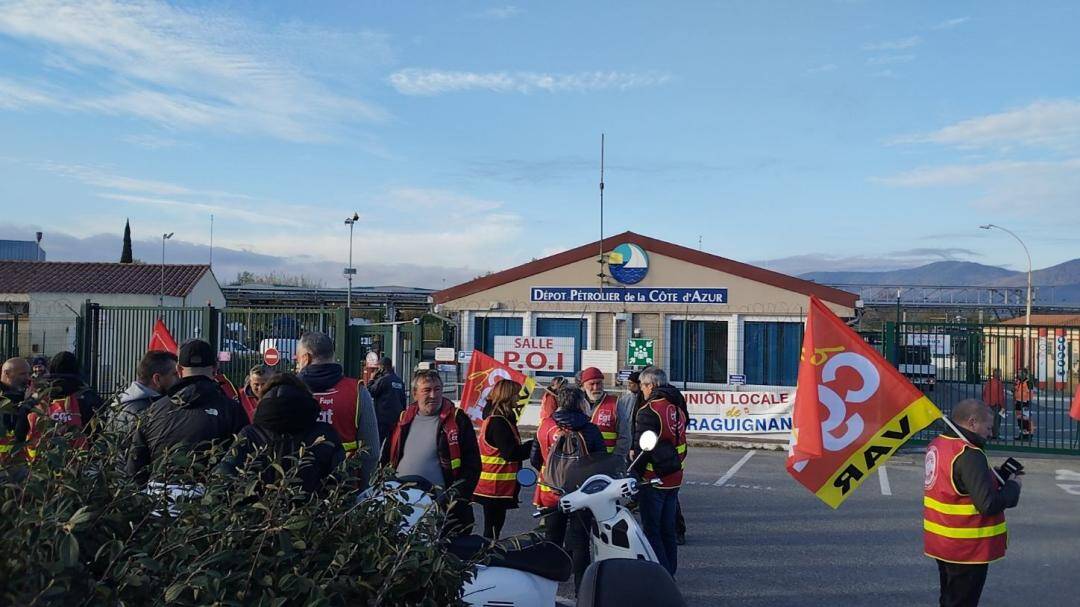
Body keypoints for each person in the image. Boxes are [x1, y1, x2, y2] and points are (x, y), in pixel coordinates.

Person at [925, 399, 1022, 607]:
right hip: (966, 547)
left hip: (943, 541)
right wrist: (1014, 487)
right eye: (988, 427)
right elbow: (988, 504)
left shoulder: (940, 443)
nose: (991, 432)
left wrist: (993, 475)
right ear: (972, 422)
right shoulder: (969, 454)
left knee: (949, 598)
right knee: (962, 602)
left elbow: (957, 484)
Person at [126, 339, 247, 483]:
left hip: (159, 497)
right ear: (215, 368)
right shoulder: (232, 410)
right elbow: (243, 461)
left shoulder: (154, 410)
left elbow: (135, 468)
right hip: (211, 499)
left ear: (178, 369)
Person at [382, 369, 481, 536]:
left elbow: (472, 466)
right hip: (403, 507)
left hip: (444, 511)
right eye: (427, 390)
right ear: (415, 394)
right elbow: (387, 459)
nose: (433, 395)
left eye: (437, 389)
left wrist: (454, 499)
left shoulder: (458, 420)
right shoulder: (403, 419)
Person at [216, 373, 345, 493]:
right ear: (307, 398)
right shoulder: (324, 434)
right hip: (313, 513)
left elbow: (223, 478)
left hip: (258, 514)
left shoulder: (250, 435)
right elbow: (341, 483)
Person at [530, 385, 605, 589]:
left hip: (550, 493)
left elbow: (535, 459)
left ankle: (547, 586)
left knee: (552, 540)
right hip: (581, 494)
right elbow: (600, 461)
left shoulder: (545, 426)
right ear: (580, 403)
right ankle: (582, 590)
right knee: (580, 543)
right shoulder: (590, 429)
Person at [296, 332, 379, 490]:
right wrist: (363, 490)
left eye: (298, 358)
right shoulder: (357, 392)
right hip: (342, 487)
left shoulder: (287, 390)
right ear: (332, 355)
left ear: (305, 358)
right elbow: (372, 452)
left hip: (296, 486)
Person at [631, 366, 687, 577]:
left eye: (643, 386)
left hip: (653, 479)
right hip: (675, 475)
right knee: (668, 531)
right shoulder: (677, 406)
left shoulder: (649, 410)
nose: (642, 391)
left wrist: (634, 475)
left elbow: (641, 449)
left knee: (652, 531)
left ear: (651, 385)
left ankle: (661, 577)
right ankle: (669, 572)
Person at [474, 379, 535, 540]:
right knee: (492, 529)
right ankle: (486, 557)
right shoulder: (498, 423)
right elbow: (510, 453)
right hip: (495, 486)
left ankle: (487, 554)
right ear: (508, 396)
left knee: (493, 526)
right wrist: (534, 445)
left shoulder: (498, 419)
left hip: (493, 484)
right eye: (516, 394)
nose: (519, 398)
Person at [24, 351, 105, 457]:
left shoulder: (39, 395)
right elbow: (99, 431)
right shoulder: (89, 396)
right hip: (79, 460)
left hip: (42, 462)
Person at [104, 350, 180, 439]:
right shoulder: (151, 410)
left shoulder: (118, 406)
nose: (179, 379)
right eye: (175, 374)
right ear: (157, 379)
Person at [580, 367, 633, 461]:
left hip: (607, 461)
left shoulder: (615, 403)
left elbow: (625, 436)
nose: (596, 387)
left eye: (599, 383)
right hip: (582, 462)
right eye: (591, 384)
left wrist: (616, 458)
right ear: (583, 385)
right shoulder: (577, 404)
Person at [367, 357, 407, 444]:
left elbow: (370, 391)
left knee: (378, 443)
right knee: (392, 444)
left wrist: (371, 379)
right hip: (396, 419)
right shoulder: (400, 381)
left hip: (382, 419)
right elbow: (403, 401)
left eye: (378, 368)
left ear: (382, 368)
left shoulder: (383, 380)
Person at [1, 358, 32, 459]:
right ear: (7, 373)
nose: (27, 378)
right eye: (22, 374)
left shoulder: (22, 394)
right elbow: (18, 433)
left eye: (28, 374)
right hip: (7, 460)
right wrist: (27, 404)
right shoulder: (4, 399)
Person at [981, 369, 1006, 440]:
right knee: (997, 420)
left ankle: (989, 434)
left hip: (988, 403)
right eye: (1000, 373)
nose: (1001, 374)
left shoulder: (989, 382)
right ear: (997, 374)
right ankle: (995, 435)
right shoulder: (999, 383)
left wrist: (986, 402)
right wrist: (1003, 405)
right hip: (996, 404)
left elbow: (984, 393)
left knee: (989, 420)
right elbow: (1000, 395)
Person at [1013, 368, 1034, 441]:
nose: (1019, 374)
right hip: (1018, 402)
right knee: (1019, 420)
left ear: (1025, 374)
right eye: (1018, 373)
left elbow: (1031, 393)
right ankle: (1022, 434)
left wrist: (1028, 403)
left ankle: (1029, 435)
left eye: (1020, 373)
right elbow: (1016, 390)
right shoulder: (1018, 381)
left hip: (1025, 403)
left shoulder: (1028, 382)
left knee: (1026, 420)